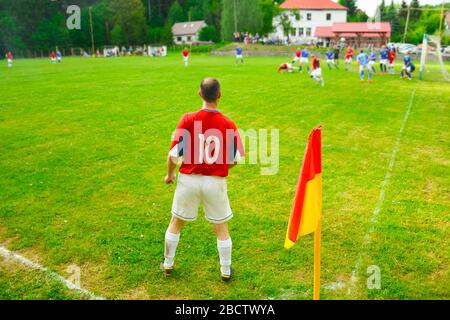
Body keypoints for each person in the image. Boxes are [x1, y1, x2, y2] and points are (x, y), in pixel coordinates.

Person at [161, 78, 244, 282]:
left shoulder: (188, 119)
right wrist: (221, 167)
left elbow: (172, 155)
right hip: (215, 183)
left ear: (199, 94)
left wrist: (170, 174)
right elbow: (237, 159)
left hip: (188, 179)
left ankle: (168, 264)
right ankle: (225, 270)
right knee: (221, 227)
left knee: (176, 222)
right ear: (219, 95)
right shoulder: (228, 124)